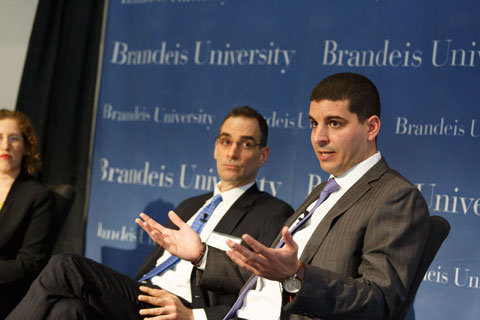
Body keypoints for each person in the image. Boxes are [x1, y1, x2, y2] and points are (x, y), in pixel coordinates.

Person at [138, 73, 431, 319]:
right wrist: (201, 255)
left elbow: (379, 302)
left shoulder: (395, 196)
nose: (318, 137)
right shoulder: (326, 190)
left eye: (335, 123)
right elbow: (262, 275)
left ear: (371, 127)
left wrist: (299, 275)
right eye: (314, 123)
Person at [7, 106, 294, 320]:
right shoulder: (190, 206)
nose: (233, 153)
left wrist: (195, 314)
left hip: (180, 308)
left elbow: (262, 292)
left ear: (263, 155)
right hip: (143, 295)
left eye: (245, 144)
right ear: (215, 147)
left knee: (65, 267)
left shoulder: (272, 213)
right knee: (66, 311)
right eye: (225, 141)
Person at [0, 109, 54, 318]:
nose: (6, 145)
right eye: (0, 137)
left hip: (7, 293)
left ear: (25, 147)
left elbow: (29, 264)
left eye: (14, 138)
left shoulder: (37, 196)